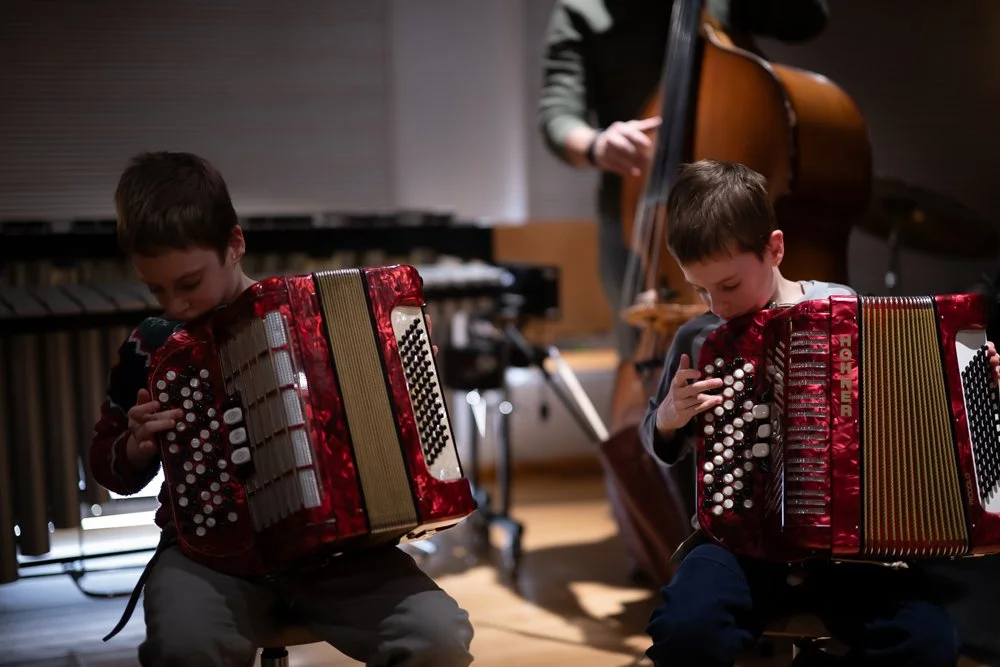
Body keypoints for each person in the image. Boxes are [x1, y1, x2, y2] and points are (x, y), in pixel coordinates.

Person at [89, 151, 474, 667]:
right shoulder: (153, 344)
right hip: (206, 557)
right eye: (156, 289)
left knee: (437, 637)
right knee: (186, 650)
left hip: (335, 554)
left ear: (235, 244)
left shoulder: (309, 319)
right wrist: (133, 450)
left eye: (189, 283)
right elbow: (106, 463)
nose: (175, 305)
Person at [637, 159, 987, 666]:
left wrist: (969, 377)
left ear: (774, 249)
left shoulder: (841, 307)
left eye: (729, 285)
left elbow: (906, 405)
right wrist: (669, 416)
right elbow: (654, 433)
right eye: (700, 290)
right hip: (739, 539)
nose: (716, 304)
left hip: (846, 549)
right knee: (686, 631)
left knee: (927, 643)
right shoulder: (698, 337)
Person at [537, 0, 830, 359]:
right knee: (644, 357)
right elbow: (557, 114)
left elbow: (806, 19)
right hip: (640, 213)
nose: (715, 307)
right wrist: (596, 144)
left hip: (736, 214)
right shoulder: (581, 9)